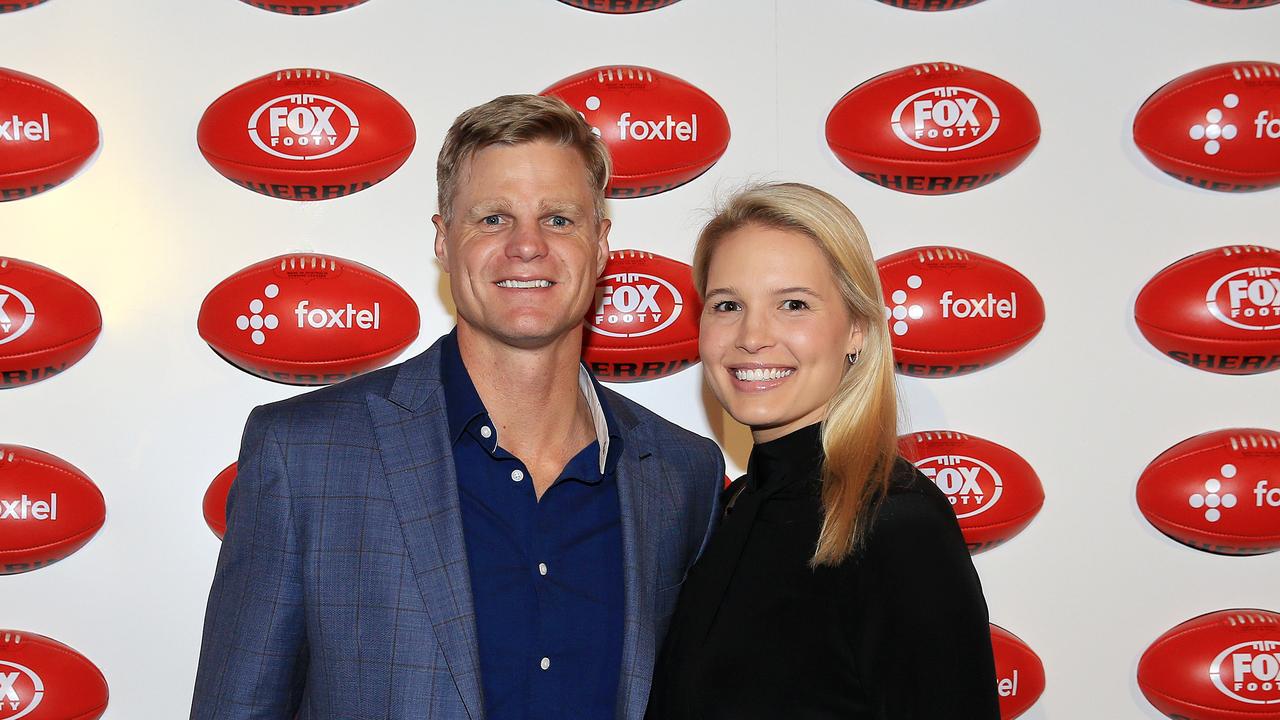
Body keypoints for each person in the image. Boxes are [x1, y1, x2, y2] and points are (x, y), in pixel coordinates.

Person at [190, 94, 724, 720]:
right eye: (493, 219)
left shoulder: (681, 474)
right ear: (444, 242)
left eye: (558, 219)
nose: (527, 246)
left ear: (601, 244)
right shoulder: (305, 457)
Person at [647, 182, 1000, 719]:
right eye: (727, 305)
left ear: (857, 328)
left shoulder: (895, 521)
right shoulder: (734, 508)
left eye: (793, 304)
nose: (752, 335)